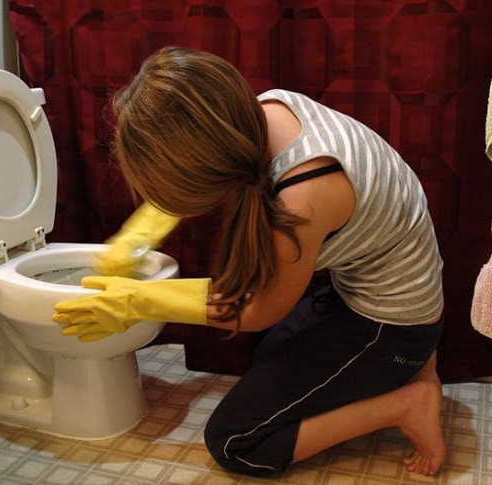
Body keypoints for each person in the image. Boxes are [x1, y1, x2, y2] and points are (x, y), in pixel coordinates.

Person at [53, 46, 446, 477]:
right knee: (267, 358)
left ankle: (407, 403)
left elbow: (258, 308)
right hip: (372, 285)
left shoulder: (302, 196)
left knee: (236, 440)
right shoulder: (258, 113)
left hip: (393, 324)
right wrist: (135, 236)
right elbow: (205, 158)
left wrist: (136, 301)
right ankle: (411, 371)